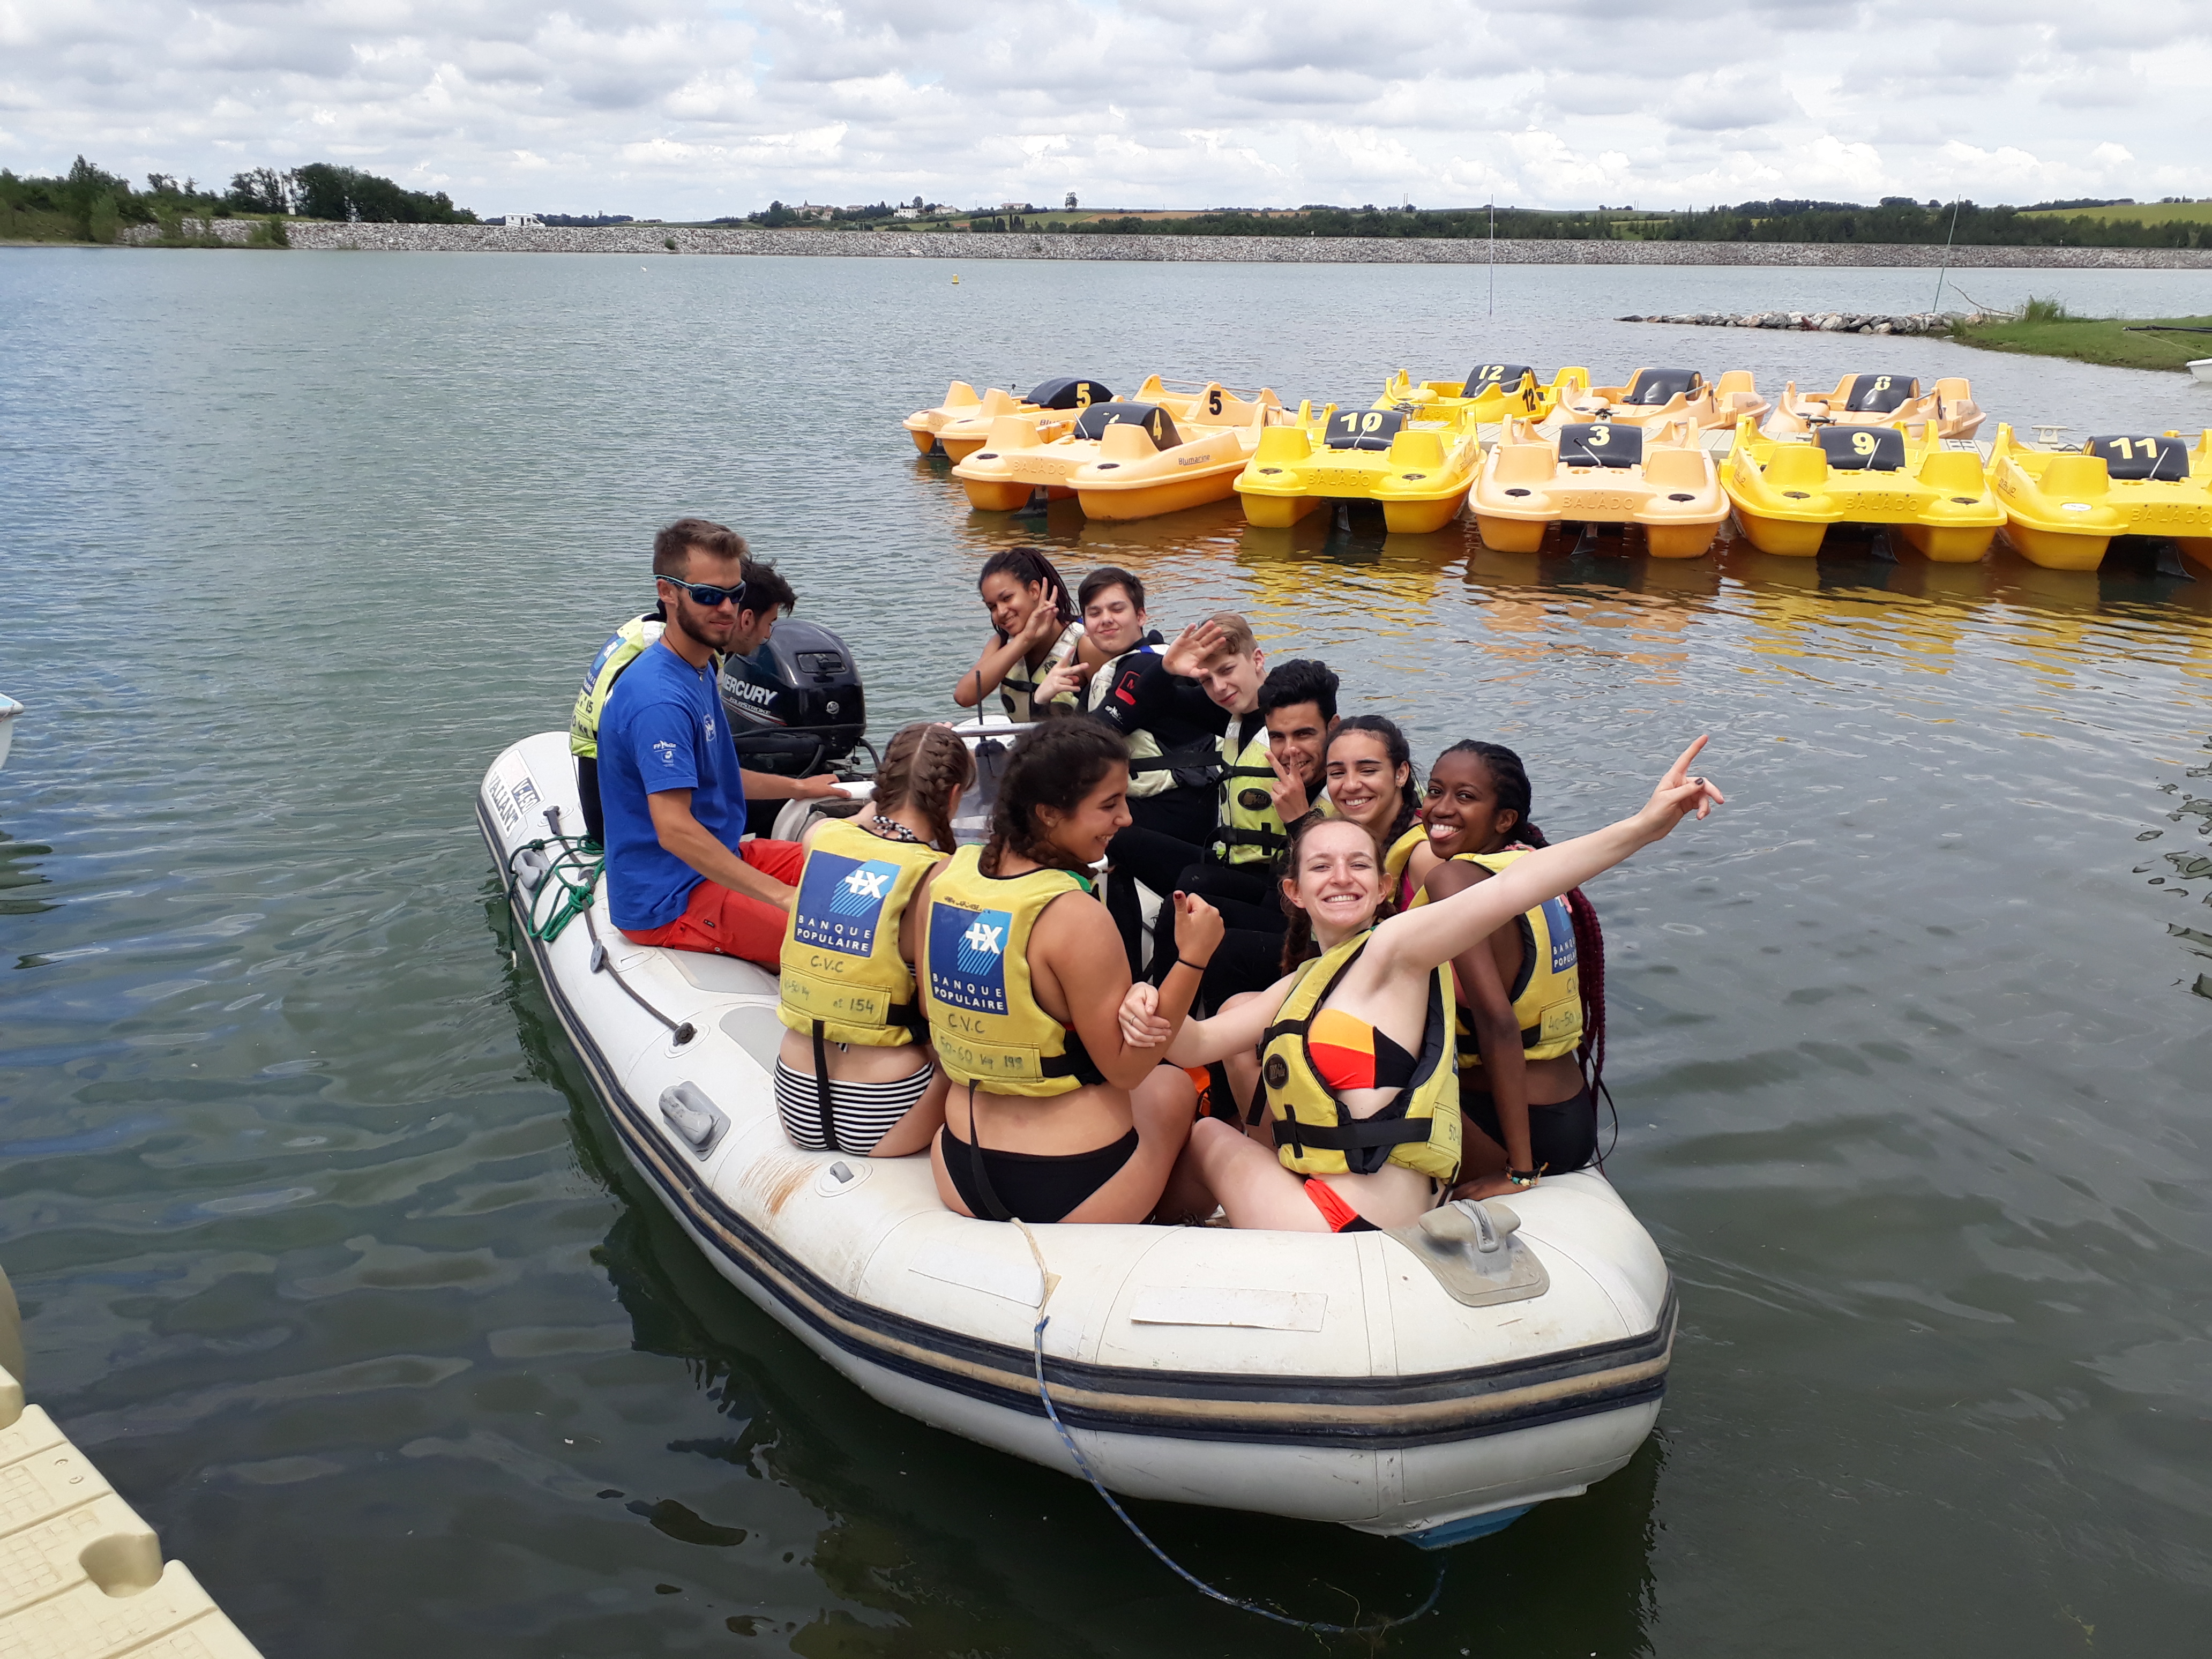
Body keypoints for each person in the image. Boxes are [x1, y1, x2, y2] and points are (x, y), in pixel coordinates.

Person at [1120, 739, 1724, 1232]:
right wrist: (1167, 981)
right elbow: (1192, 1045)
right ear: (1294, 893)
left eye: (1360, 864)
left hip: (1343, 1222)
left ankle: (1160, 1241)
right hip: (1365, 1210)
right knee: (1220, 1074)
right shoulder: (1308, 980)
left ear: (1384, 890)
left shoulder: (1396, 948)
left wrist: (1644, 827)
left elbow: (1520, 883)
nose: (1343, 877)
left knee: (1204, 1133)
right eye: (1321, 866)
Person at [922, 720, 1221, 1224]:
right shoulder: (1073, 915)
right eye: (1109, 805)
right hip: (1069, 1180)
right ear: (1048, 814)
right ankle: (1159, 1228)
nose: (1125, 819)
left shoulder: (947, 876)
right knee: (1172, 1088)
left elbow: (935, 1012)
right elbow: (1127, 1068)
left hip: (959, 1165)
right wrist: (1192, 957)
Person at [598, 519, 809, 965]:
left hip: (720, 858)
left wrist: (801, 789)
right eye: (710, 596)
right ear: (668, 592)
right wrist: (780, 897)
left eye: (735, 594)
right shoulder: (659, 700)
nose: (728, 609)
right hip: (669, 898)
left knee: (852, 872)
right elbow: (673, 828)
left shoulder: (701, 667)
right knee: (832, 940)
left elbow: (718, 777)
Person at [1414, 742, 1611, 1199]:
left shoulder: (1452, 880)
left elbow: (1497, 1022)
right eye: (1436, 791)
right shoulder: (1531, 867)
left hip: (1520, 1136)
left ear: (1504, 819)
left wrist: (1519, 1171)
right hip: (1566, 1114)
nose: (1441, 809)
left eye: (1465, 797)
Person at [775, 723, 975, 1158]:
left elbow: (863, 824)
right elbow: (933, 1010)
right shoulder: (938, 876)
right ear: (954, 796)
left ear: (882, 786)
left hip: (796, 1097)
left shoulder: (820, 838)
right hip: (886, 1108)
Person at [570, 543, 836, 845]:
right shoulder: (686, 664)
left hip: (603, 785)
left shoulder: (650, 632)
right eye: (769, 624)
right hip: (625, 812)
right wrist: (797, 791)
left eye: (732, 595)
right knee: (791, 809)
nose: (767, 637)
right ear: (747, 618)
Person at [1075, 566, 1223, 842]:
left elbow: (1093, 735)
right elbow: (1073, 729)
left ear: (1141, 615)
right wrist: (1045, 696)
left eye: (1117, 609)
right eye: (1095, 613)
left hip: (1178, 807)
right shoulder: (1117, 668)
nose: (1106, 620)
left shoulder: (1143, 664)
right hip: (1163, 804)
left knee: (1070, 824)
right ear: (1085, 624)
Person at [952, 547, 1098, 723]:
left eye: (1007, 598)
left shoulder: (1083, 643)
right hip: (1023, 748)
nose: (1001, 612)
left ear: (1034, 591)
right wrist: (1026, 640)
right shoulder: (1001, 644)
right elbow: (964, 697)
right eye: (992, 607)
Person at [1323, 717, 1425, 907]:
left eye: (1368, 771)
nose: (1351, 785)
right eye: (1337, 773)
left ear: (1401, 774)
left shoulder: (1425, 856)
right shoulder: (1339, 839)